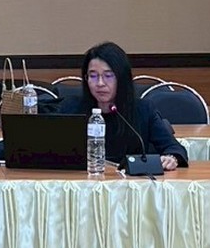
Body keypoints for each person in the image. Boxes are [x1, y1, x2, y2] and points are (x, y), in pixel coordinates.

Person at [65, 42, 187, 170]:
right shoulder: (71, 109)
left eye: (108, 76)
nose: (100, 83)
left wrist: (171, 158)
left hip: (131, 180)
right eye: (93, 76)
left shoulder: (143, 110)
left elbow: (174, 148)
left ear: (122, 78)